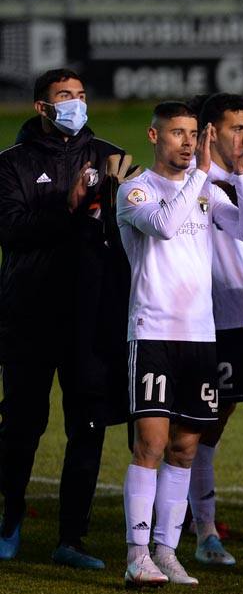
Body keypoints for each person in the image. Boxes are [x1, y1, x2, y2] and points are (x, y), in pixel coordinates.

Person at [116, 101, 243, 588]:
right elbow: (165, 225)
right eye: (177, 133)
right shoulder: (134, 190)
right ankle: (137, 554)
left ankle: (167, 550)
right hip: (154, 333)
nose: (186, 141)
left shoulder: (207, 190)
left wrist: (239, 176)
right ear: (154, 136)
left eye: (192, 133)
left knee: (184, 448)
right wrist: (203, 177)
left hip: (201, 336)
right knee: (151, 444)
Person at [0, 68, 130, 568]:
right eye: (63, 96)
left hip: (91, 318)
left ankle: (71, 539)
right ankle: (9, 517)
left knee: (89, 425)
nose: (75, 103)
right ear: (41, 107)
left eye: (80, 95)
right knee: (21, 425)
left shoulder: (111, 158)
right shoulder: (10, 164)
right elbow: (10, 230)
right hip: (29, 315)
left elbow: (129, 231)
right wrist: (70, 208)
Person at [178, 93, 243, 569]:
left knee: (221, 423)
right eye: (235, 128)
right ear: (210, 132)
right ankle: (204, 530)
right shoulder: (198, 183)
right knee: (203, 427)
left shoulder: (241, 178)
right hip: (215, 323)